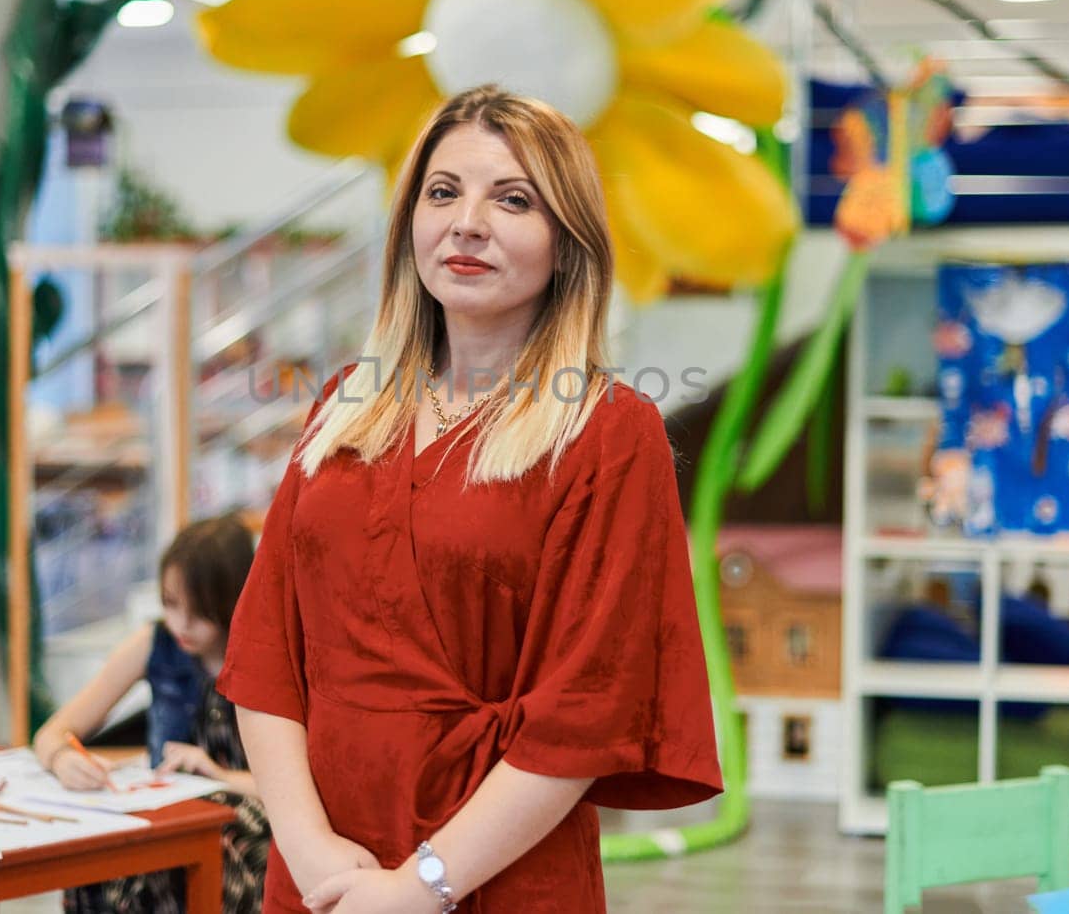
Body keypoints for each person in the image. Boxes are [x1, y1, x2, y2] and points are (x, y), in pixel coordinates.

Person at [218, 86, 722, 914]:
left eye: (513, 199)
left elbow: (585, 711)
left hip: (497, 871)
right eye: (443, 191)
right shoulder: (345, 407)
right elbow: (267, 654)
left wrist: (422, 885)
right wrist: (310, 853)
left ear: (567, 244)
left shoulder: (607, 433)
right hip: (325, 875)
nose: (467, 222)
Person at [33, 515, 270, 914]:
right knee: (96, 860)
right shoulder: (155, 643)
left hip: (242, 822)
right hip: (163, 820)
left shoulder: (268, 658)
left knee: (214, 854)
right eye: (171, 604)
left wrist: (218, 774)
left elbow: (305, 790)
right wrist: (63, 758)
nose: (181, 624)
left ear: (231, 600)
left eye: (199, 612)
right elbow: (53, 732)